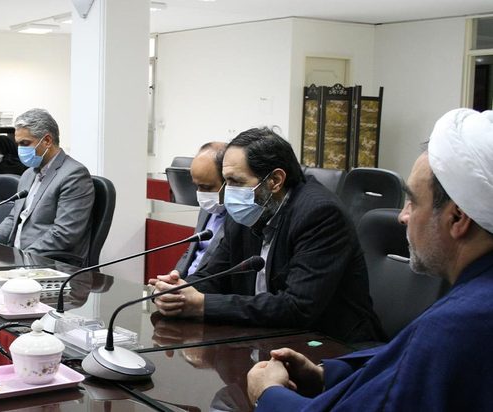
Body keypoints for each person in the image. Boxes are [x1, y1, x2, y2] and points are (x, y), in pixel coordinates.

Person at [247, 108, 493, 411]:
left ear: (457, 217)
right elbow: (405, 363)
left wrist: (268, 394)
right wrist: (328, 376)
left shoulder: (458, 323)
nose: (402, 216)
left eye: (413, 201)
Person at [150, 127, 384, 343]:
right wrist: (178, 291)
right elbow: (215, 275)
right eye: (226, 181)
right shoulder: (246, 211)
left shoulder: (320, 215)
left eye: (235, 182)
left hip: (330, 345)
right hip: (264, 337)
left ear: (275, 181)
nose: (228, 193)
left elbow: (297, 307)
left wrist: (202, 305)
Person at [0, 108, 95, 266]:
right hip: (18, 259)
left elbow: (64, 233)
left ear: (47, 141)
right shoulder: (28, 174)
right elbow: (14, 217)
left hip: (47, 263)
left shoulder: (74, 175)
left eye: (25, 143)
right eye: (18, 144)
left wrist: (23, 258)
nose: (20, 150)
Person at [174, 142, 227, 278]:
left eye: (207, 187)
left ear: (228, 181)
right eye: (197, 186)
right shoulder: (207, 206)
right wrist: (176, 274)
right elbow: (192, 250)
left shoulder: (241, 218)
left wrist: (187, 286)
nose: (200, 193)